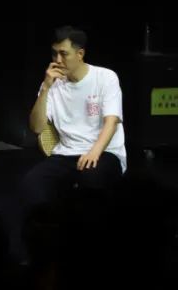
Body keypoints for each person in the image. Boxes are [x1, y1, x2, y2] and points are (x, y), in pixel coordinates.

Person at [20, 25, 126, 207]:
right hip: (66, 153)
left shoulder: (105, 77)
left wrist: (94, 152)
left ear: (80, 54)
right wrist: (45, 88)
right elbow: (36, 128)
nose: (58, 60)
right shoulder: (52, 85)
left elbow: (111, 122)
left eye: (64, 54)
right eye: (54, 54)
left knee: (91, 179)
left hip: (104, 152)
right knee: (31, 184)